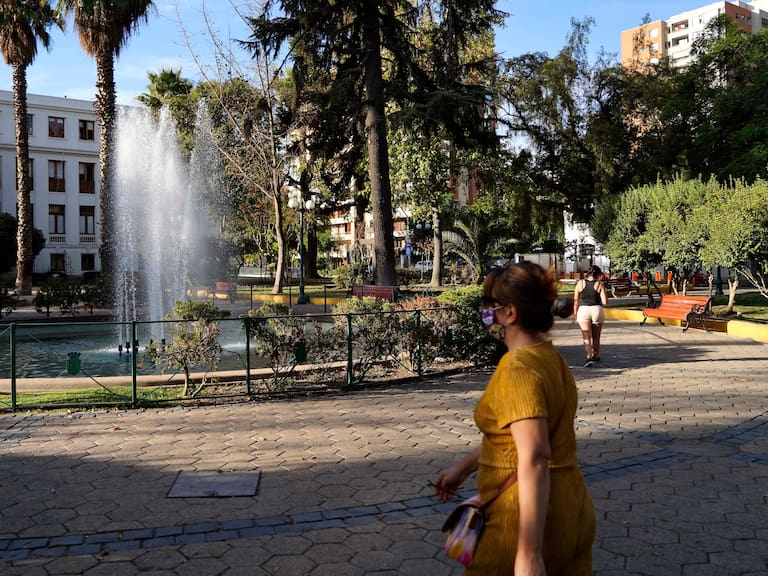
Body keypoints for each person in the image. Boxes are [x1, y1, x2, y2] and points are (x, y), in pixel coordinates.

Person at [433, 262, 595, 576]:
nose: (485, 313)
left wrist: (529, 553)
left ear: (509, 313)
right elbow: (519, 436)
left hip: (523, 519)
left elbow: (534, 455)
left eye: (488, 305)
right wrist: (463, 468)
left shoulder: (517, 367)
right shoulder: (550, 357)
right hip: (572, 508)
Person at [573, 264, 608, 367]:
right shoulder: (599, 284)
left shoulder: (580, 283)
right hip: (597, 310)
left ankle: (589, 358)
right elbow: (605, 302)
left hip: (583, 310)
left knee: (586, 336)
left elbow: (576, 301)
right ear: (598, 274)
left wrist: (575, 314)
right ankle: (595, 356)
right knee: (596, 336)